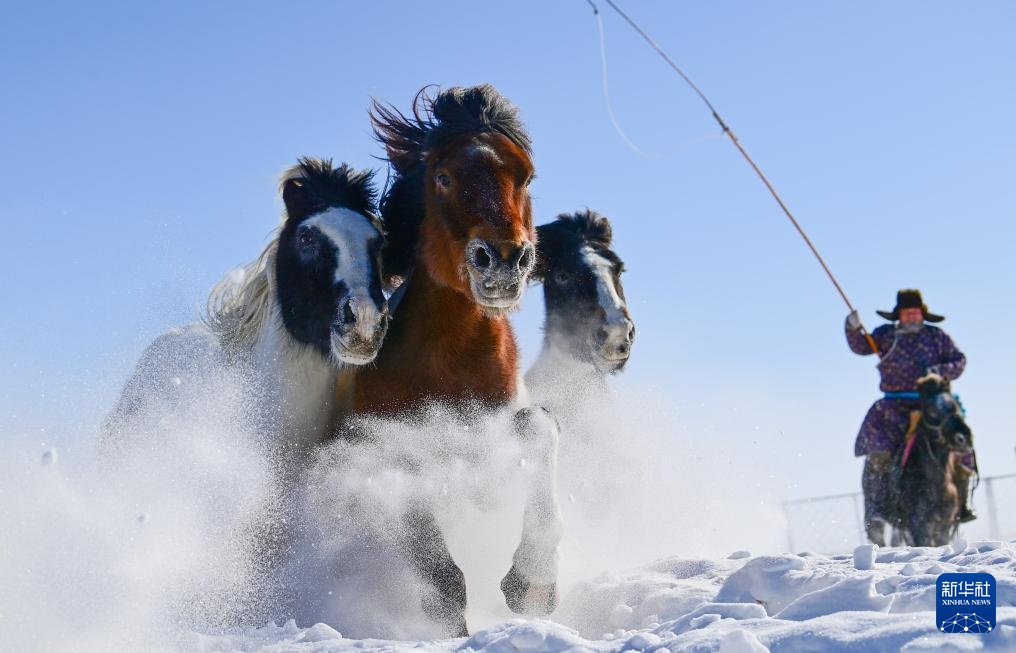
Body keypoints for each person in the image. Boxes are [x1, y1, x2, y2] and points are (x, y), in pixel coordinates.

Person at [846, 289, 975, 544]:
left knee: (961, 446)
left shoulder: (937, 337)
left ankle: (961, 504)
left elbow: (959, 361)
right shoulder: (886, 335)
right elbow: (862, 346)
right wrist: (853, 329)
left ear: (922, 314)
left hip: (933, 403)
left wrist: (938, 370)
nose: (912, 317)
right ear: (900, 315)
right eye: (907, 313)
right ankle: (878, 511)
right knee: (878, 454)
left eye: (916, 312)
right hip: (893, 407)